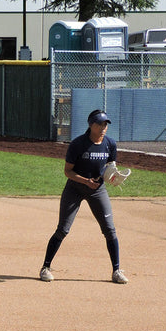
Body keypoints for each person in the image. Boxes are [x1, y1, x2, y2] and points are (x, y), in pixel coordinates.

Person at [40, 110, 128, 284]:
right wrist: (86, 181)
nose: (104, 127)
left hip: (97, 190)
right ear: (91, 125)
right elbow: (68, 171)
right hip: (75, 188)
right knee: (63, 229)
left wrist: (112, 176)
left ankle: (116, 271)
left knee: (110, 230)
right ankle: (45, 267)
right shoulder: (78, 144)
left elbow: (110, 165)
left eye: (106, 124)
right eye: (100, 124)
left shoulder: (110, 144)